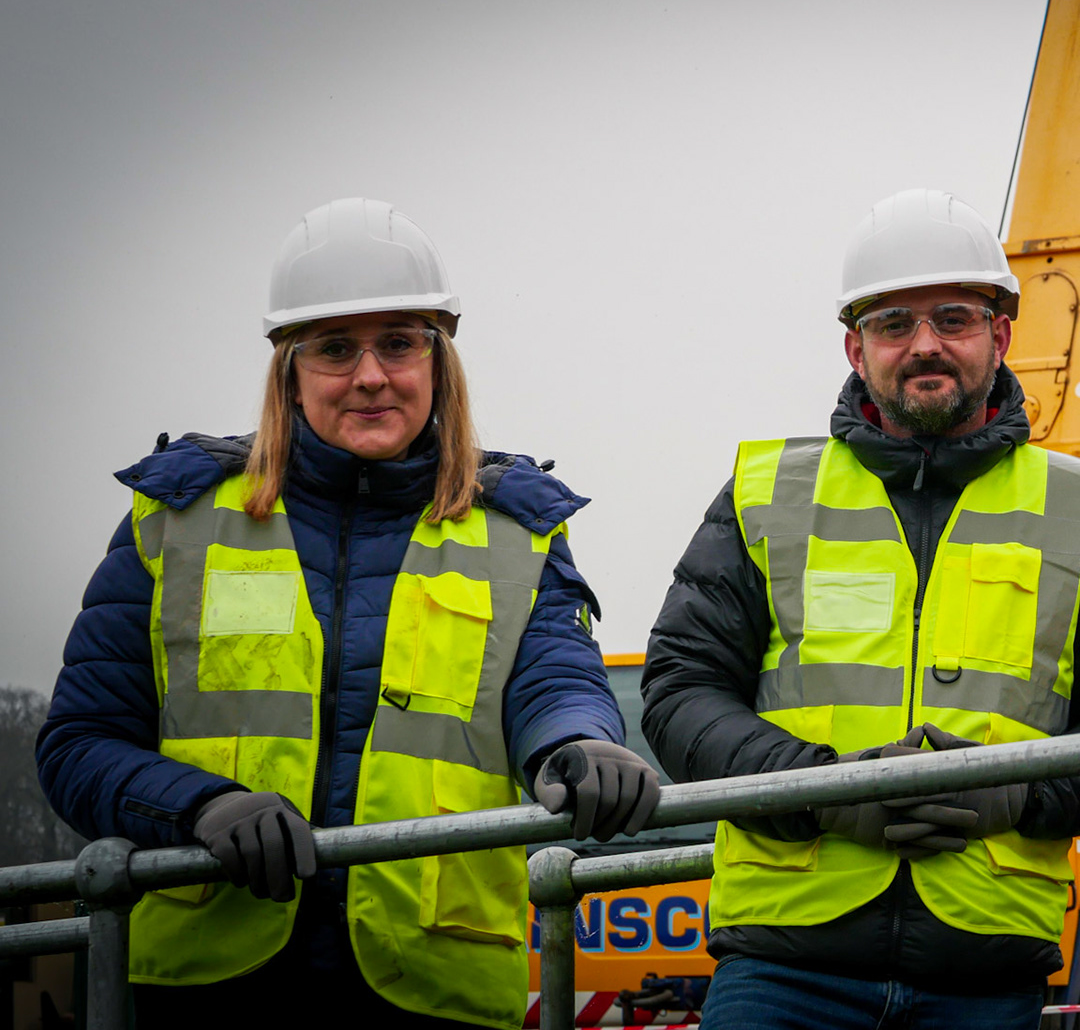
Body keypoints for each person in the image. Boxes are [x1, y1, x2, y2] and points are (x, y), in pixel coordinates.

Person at [37, 198, 661, 1030]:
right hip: (205, 990)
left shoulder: (518, 531)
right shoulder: (176, 522)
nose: (371, 375)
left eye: (399, 342)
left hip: (434, 991)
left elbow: (554, 682)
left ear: (438, 362)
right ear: (289, 371)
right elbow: (80, 745)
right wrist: (199, 806)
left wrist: (579, 744)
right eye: (335, 348)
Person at [640, 188, 1080, 1028]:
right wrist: (823, 790)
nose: (925, 343)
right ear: (856, 349)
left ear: (1001, 337)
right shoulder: (765, 494)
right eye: (894, 323)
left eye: (953, 318)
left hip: (985, 975)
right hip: (784, 968)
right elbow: (680, 692)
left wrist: (1014, 793)